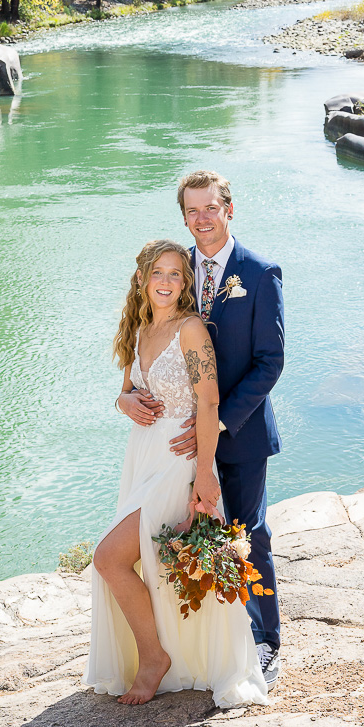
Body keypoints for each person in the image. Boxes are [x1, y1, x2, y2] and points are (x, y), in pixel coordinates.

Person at [84, 239, 267, 708]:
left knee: (108, 558)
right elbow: (126, 390)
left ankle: (153, 658)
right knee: (155, 563)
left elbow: (209, 401)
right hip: (141, 457)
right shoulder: (139, 327)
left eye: (175, 274)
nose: (166, 282)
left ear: (185, 283)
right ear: (142, 278)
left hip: (177, 460)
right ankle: (168, 656)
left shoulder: (191, 330)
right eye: (158, 273)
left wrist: (204, 475)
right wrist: (123, 401)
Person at [120, 171, 285, 689]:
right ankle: (200, 652)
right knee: (183, 541)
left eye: (210, 208)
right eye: (191, 211)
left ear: (228, 208)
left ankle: (263, 645)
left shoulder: (258, 273)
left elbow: (270, 361)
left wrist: (214, 422)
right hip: (173, 446)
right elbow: (142, 347)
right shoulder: (173, 269)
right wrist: (126, 396)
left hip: (241, 432)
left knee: (247, 535)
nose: (201, 219)